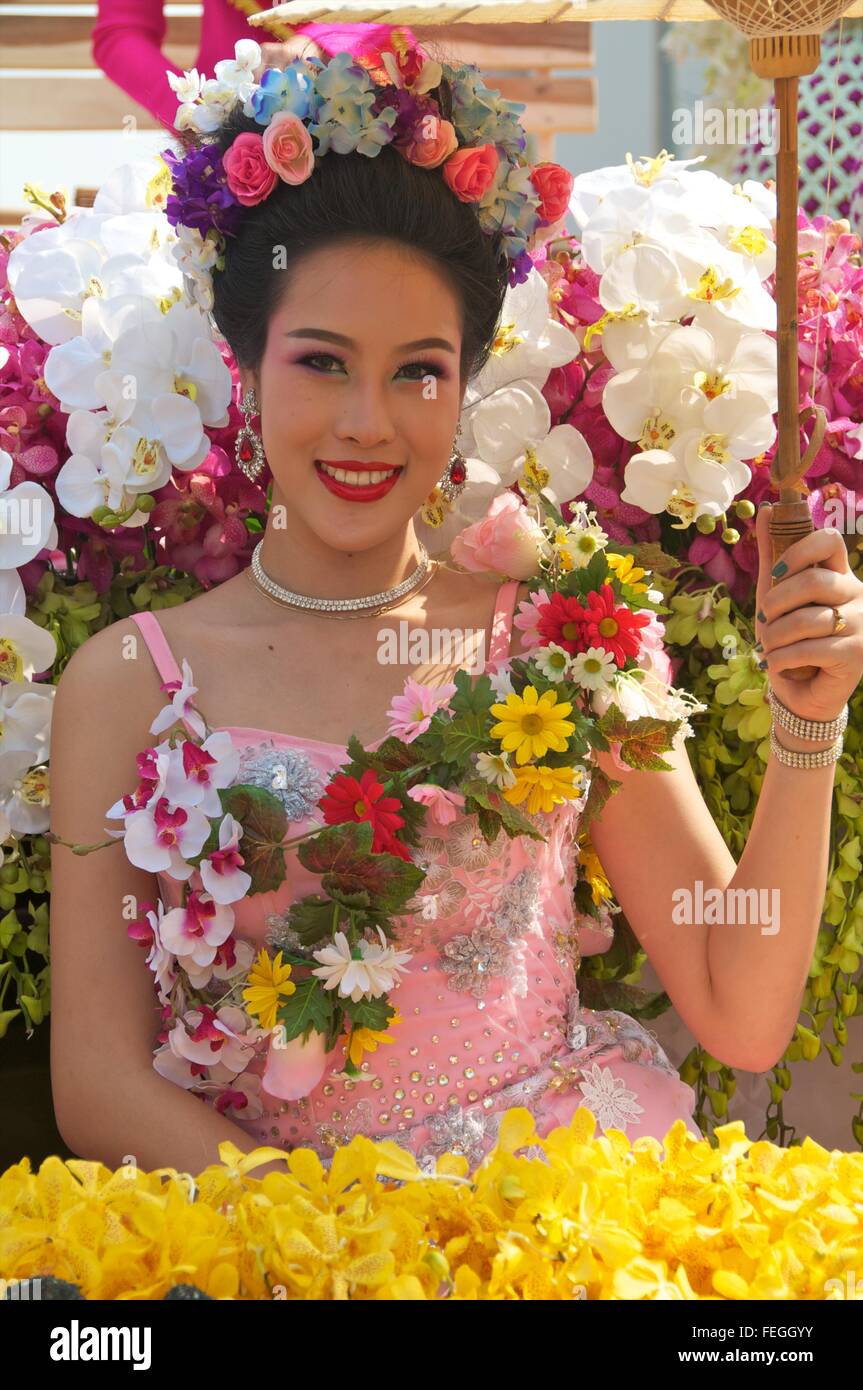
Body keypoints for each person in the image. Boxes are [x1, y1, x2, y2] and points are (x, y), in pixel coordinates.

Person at [50, 29, 863, 1183]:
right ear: (244, 364)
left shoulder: (562, 630)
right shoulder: (131, 683)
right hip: (285, 1244)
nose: (367, 422)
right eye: (321, 363)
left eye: (418, 371)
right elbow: (97, 1082)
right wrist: (348, 1242)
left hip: (566, 1217)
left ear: (468, 380)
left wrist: (805, 721)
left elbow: (737, 1009)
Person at [91, 0, 416, 130]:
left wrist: (320, 44)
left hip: (380, 99)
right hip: (234, 133)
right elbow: (122, 32)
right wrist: (195, 111)